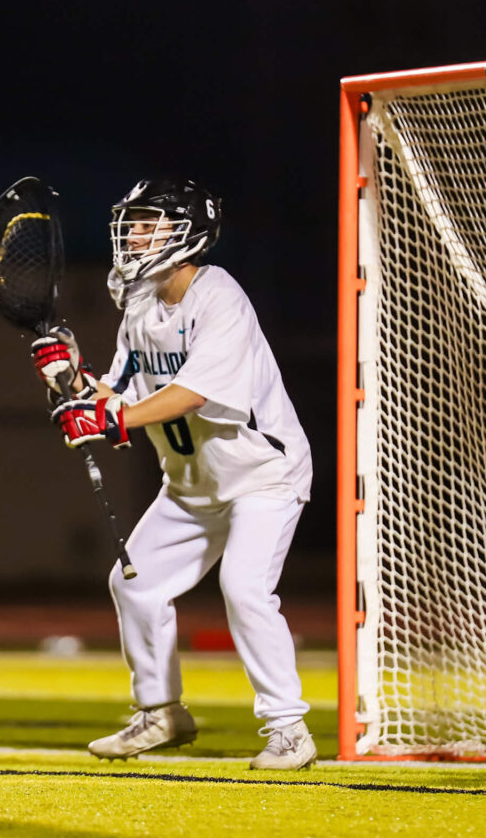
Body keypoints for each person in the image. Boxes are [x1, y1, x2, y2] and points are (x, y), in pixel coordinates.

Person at [32, 178, 315, 769]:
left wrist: (114, 422)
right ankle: (161, 713)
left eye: (148, 221)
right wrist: (73, 378)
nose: (133, 233)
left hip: (261, 474)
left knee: (244, 589)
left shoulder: (220, 297)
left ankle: (289, 728)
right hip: (192, 484)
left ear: (189, 233)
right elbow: (121, 394)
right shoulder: (139, 306)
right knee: (134, 583)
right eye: (131, 222)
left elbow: (189, 393)